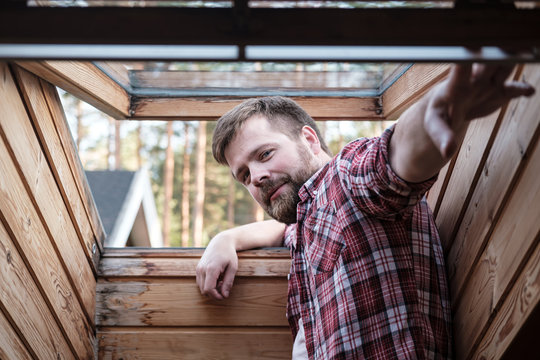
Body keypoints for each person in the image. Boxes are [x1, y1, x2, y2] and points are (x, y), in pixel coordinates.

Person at [195, 64, 535, 359]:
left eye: (265, 154)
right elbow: (283, 229)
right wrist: (226, 238)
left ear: (310, 140)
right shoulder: (306, 224)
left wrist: (445, 105)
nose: (256, 178)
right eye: (244, 175)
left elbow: (394, 157)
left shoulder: (346, 176)